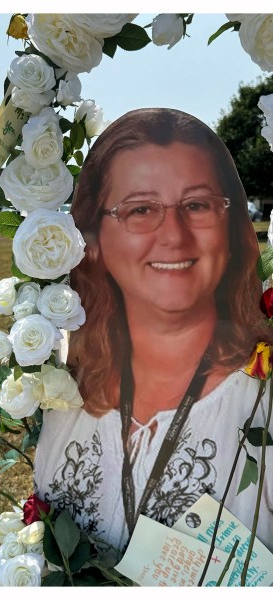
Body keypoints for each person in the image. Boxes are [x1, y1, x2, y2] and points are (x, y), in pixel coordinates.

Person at [33, 108, 273, 554]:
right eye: (140, 209)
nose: (173, 235)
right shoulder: (64, 393)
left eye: (197, 205)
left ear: (231, 223)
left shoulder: (263, 406)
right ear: (95, 241)